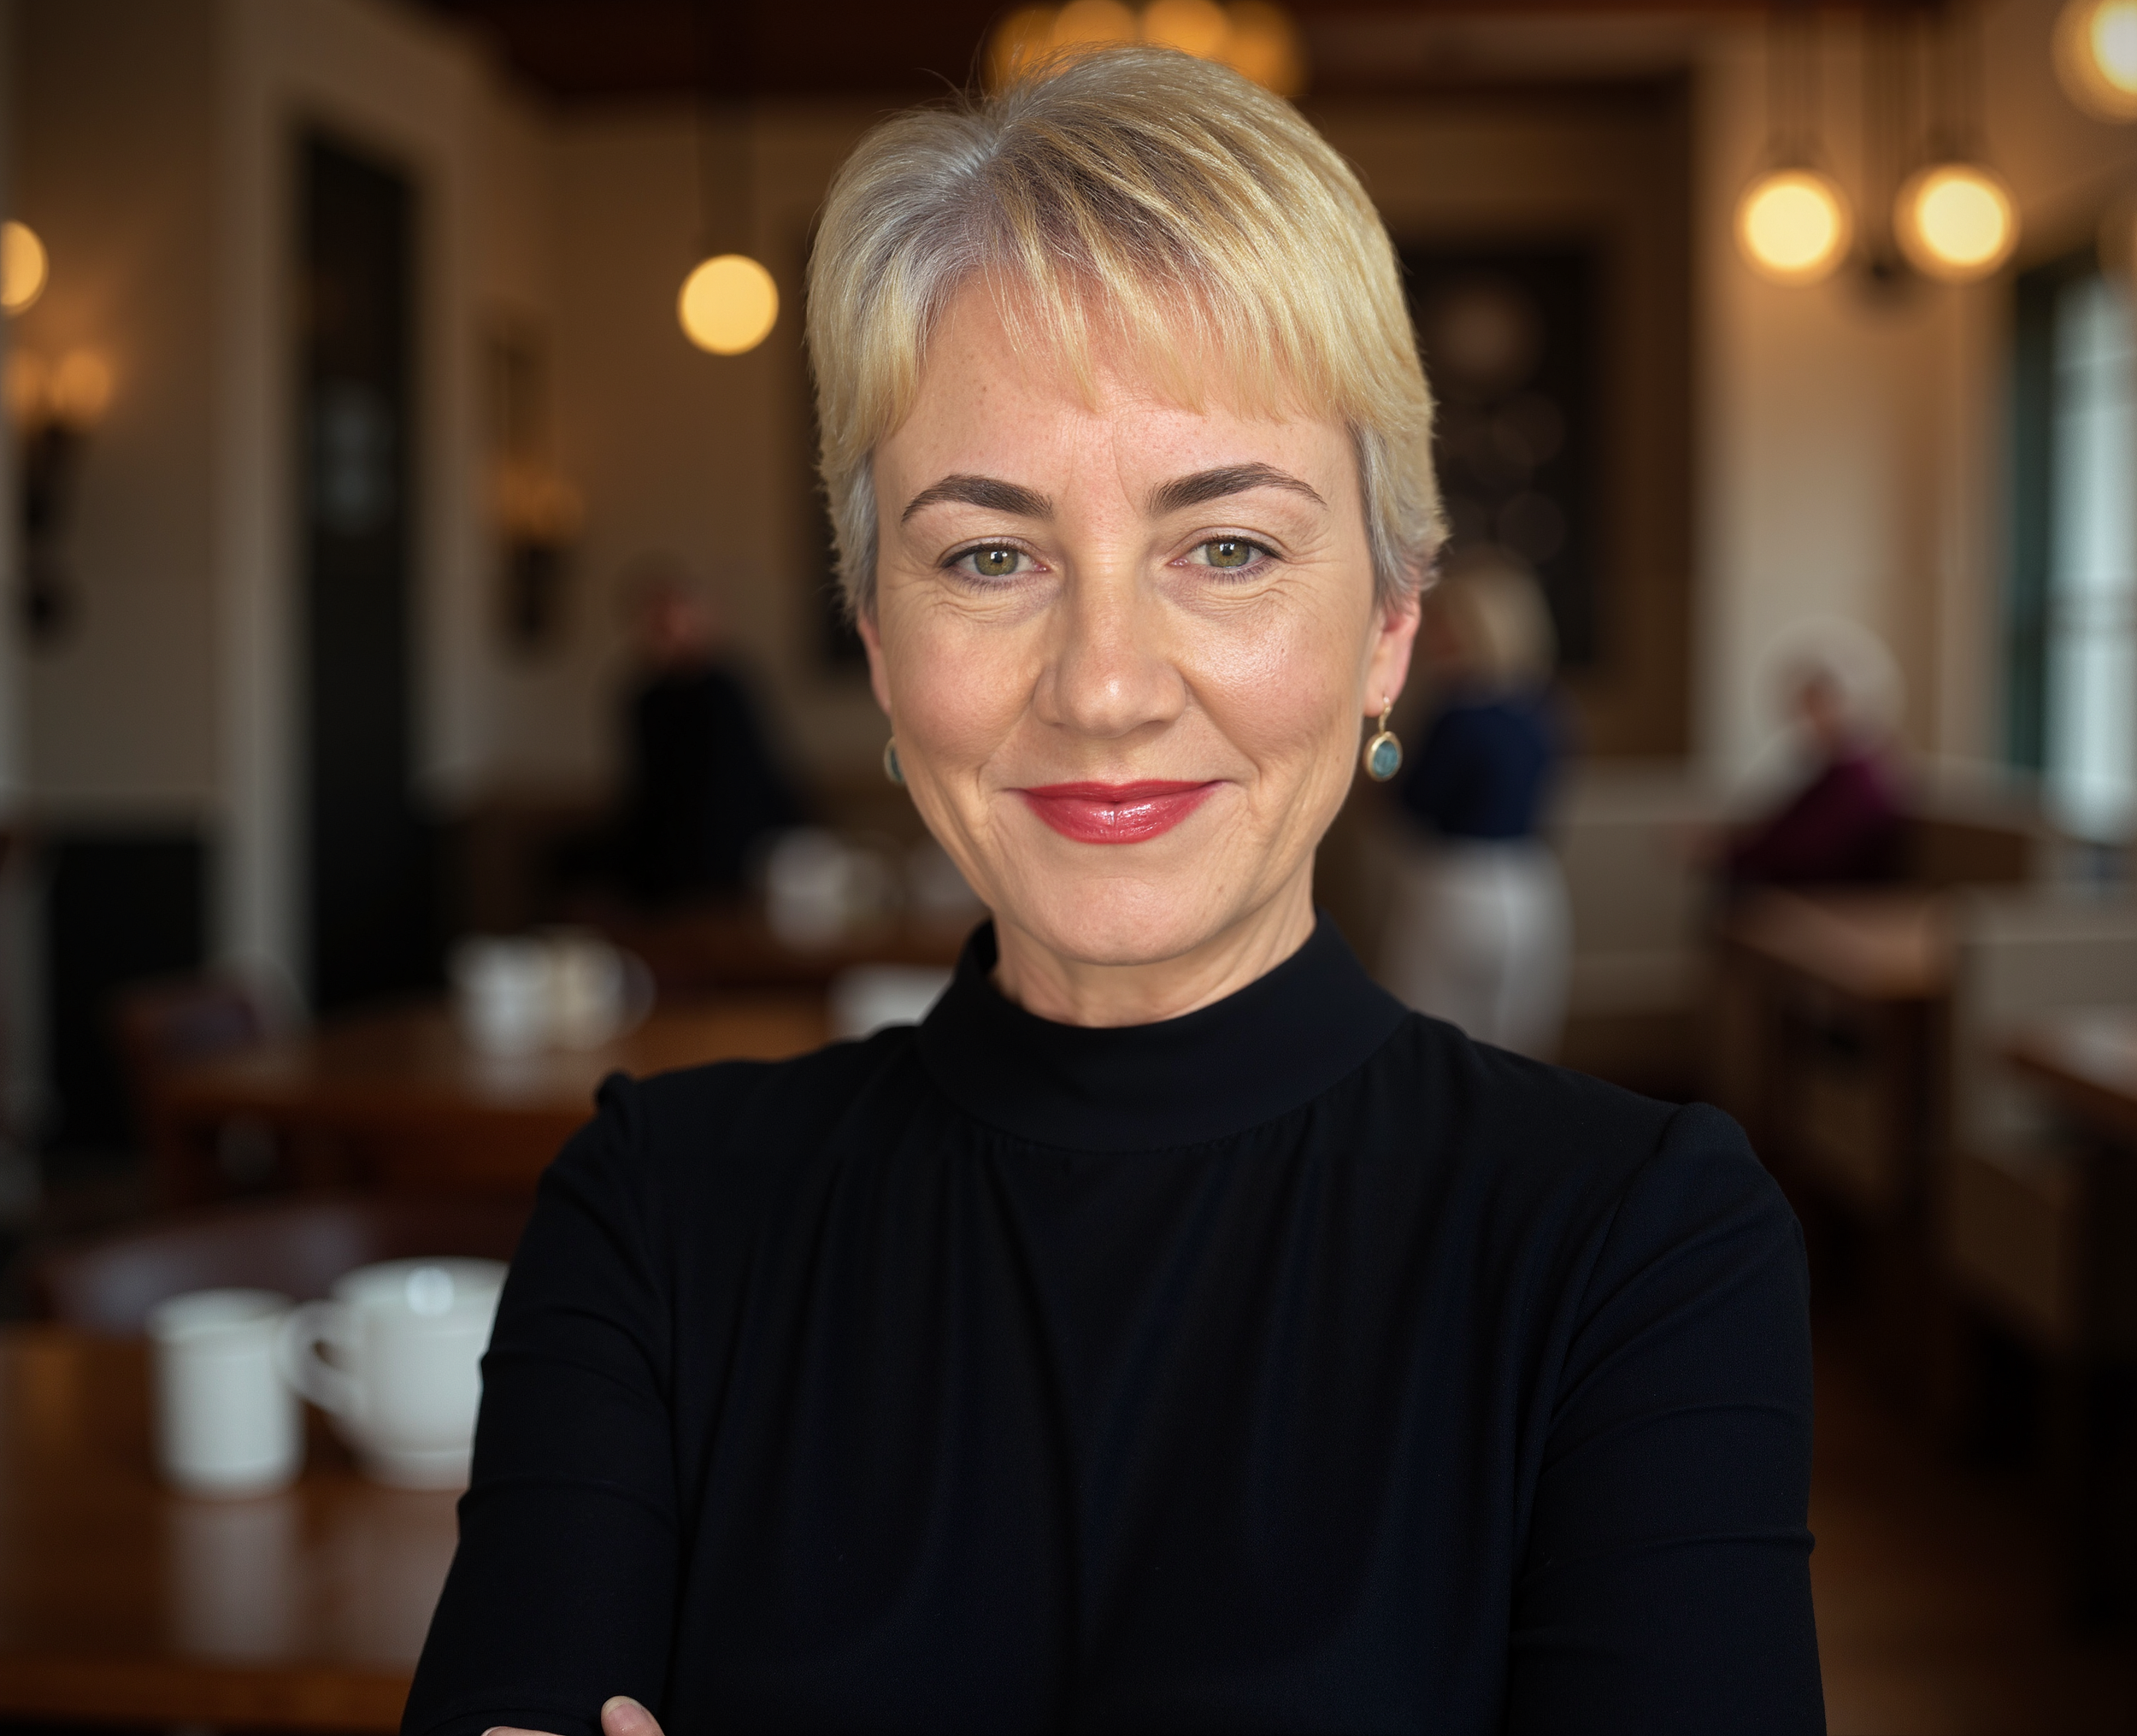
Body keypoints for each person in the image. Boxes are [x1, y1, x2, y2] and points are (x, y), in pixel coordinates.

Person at [406, 46, 1820, 1736]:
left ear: (1386, 629)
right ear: (879, 639)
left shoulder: (1633, 1246)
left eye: (1223, 545)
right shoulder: (652, 1217)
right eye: (987, 554)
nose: (1101, 685)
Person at [1380, 551, 1569, 1057]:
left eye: (1446, 626)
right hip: (1533, 886)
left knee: (1432, 1045)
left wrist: (1382, 765)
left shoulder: (1458, 713)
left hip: (1455, 888)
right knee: (1517, 1049)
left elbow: (1411, 805)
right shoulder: (1546, 708)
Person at [615, 561, 802, 905]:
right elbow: (646, 793)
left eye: (675, 617)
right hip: (669, 867)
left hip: (732, 862)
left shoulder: (726, 689)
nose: (667, 630)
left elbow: (741, 789)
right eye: (657, 621)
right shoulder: (645, 699)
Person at [1723, 621, 1906, 888]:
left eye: (1816, 704)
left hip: (1836, 899)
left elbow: (1804, 850)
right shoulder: (1831, 769)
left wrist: (1726, 853)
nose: (1806, 718)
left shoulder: (1857, 776)